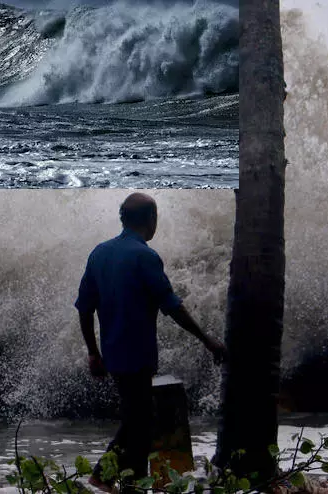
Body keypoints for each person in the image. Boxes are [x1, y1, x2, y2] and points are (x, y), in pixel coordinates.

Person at [75, 192, 227, 492]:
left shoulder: (99, 253)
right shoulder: (146, 256)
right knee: (138, 423)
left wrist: (94, 353)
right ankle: (101, 477)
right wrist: (207, 340)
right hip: (138, 355)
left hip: (113, 353)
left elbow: (84, 308)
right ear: (150, 220)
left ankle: (131, 484)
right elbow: (173, 307)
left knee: (138, 421)